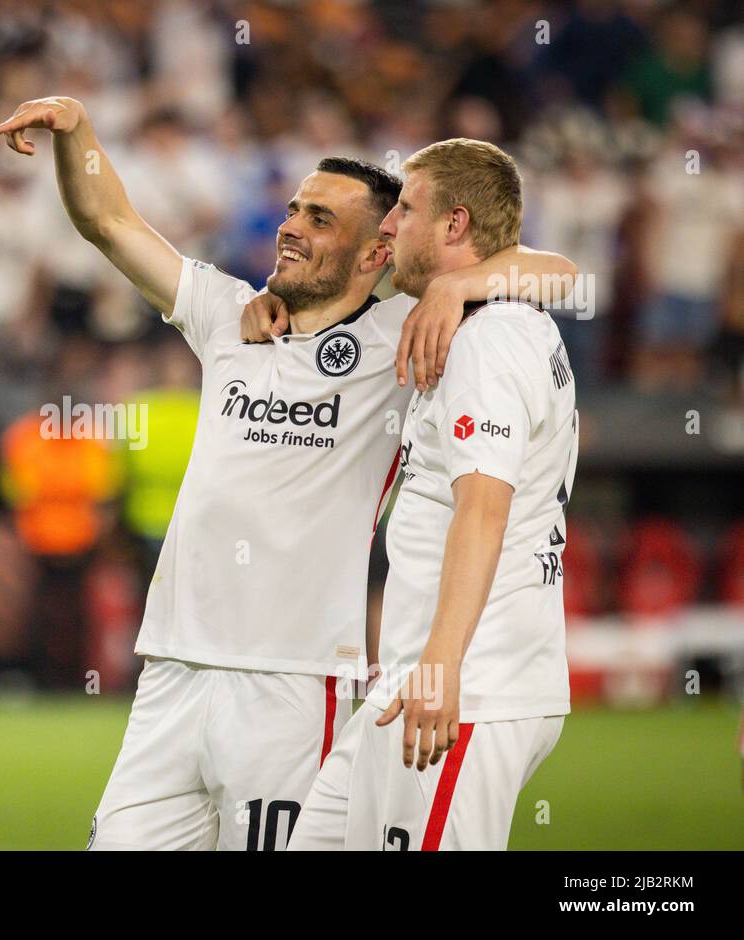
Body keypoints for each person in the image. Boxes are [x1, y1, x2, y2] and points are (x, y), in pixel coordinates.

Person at [0, 97, 577, 850]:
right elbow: (110, 224)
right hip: (174, 665)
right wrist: (78, 132)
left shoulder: (406, 336)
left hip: (296, 682)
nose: (291, 225)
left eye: (321, 219)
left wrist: (454, 286)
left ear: (378, 254)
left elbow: (557, 273)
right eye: (295, 208)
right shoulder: (225, 314)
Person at [289, 139, 578, 851]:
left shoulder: (489, 342)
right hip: (414, 682)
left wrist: (441, 669)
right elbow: (564, 272)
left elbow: (484, 510)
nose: (387, 226)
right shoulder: (481, 314)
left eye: (406, 211)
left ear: (454, 225)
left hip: (467, 687)